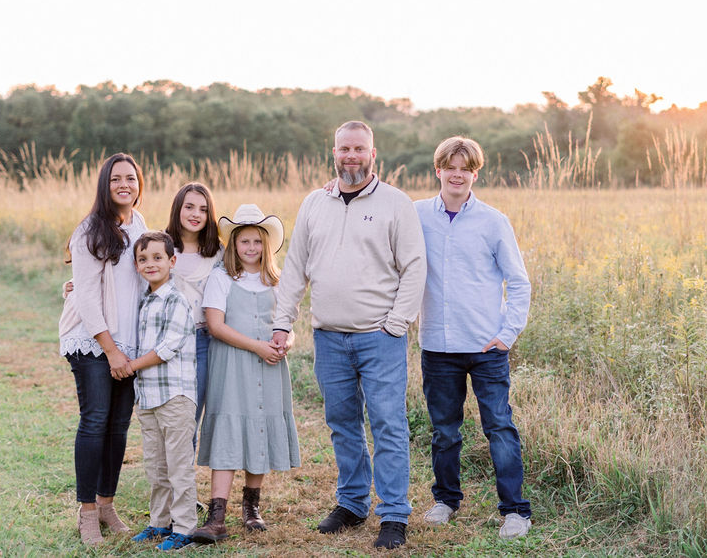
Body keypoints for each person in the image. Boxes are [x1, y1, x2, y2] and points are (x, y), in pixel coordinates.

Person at [272, 120, 426, 550]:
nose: (351, 156)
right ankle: (353, 502)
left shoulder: (397, 203)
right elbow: (296, 267)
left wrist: (397, 323)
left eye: (360, 148)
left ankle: (393, 514)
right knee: (342, 424)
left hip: (380, 337)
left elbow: (414, 266)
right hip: (329, 337)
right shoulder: (314, 203)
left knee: (388, 425)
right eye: (344, 149)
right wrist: (282, 322)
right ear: (334, 152)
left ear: (373, 154)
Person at [414, 136, 532, 540]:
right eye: (450, 166)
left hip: (486, 347)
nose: (458, 174)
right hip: (438, 346)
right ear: (439, 171)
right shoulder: (415, 216)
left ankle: (515, 510)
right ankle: (446, 500)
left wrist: (507, 334)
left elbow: (518, 282)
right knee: (445, 431)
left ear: (475, 173)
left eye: (466, 167)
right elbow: (373, 216)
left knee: (498, 426)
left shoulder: (493, 221)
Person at [192, 204, 301, 544]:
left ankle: (251, 507)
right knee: (228, 428)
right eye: (244, 242)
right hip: (233, 362)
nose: (251, 248)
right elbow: (215, 325)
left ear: (265, 245)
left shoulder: (277, 281)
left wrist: (286, 343)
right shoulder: (222, 278)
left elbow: (287, 325)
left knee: (259, 427)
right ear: (234, 245)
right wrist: (256, 346)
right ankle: (216, 515)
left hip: (269, 366)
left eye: (257, 242)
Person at [58, 152, 147, 546]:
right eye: (115, 179)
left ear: (139, 183)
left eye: (130, 178)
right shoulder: (90, 231)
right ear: (104, 185)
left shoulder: (141, 224)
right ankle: (87, 513)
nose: (124, 185)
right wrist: (111, 351)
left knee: (119, 426)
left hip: (129, 344)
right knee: (95, 422)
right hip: (93, 342)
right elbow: (90, 301)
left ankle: (107, 504)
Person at [126, 231, 199, 551]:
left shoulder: (176, 300)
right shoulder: (142, 299)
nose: (150, 264)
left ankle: (184, 526)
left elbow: (167, 348)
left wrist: (131, 366)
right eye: (143, 259)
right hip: (148, 397)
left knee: (178, 465)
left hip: (175, 396)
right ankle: (159, 521)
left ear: (172, 261)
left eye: (157, 258)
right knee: (156, 465)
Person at [163, 183, 224, 438]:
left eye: (203, 209)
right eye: (189, 207)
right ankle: (165, 475)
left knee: (191, 415)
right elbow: (131, 277)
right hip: (167, 340)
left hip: (202, 341)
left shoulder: (217, 252)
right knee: (167, 412)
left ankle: (183, 476)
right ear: (178, 208)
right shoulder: (161, 246)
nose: (195, 214)